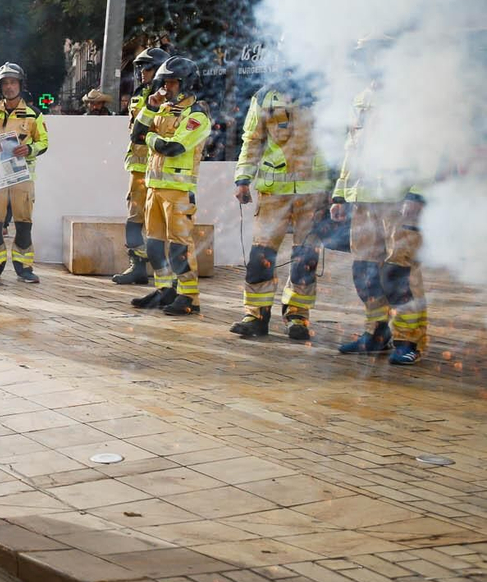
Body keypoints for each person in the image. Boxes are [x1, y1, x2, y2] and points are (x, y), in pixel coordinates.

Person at [332, 37, 426, 364]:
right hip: (364, 199)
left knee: (399, 274)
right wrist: (340, 193)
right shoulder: (361, 98)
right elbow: (350, 149)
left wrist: (417, 192)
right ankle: (376, 333)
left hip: (398, 199)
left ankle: (408, 340)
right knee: (365, 271)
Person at [231, 81, 330, 340]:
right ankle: (255, 315)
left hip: (313, 191)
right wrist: (243, 178)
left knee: (305, 257)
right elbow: (252, 140)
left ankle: (298, 315)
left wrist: (337, 189)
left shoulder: (326, 91)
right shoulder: (264, 97)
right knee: (261, 254)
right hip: (273, 191)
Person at [129, 56, 211, 316]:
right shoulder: (162, 108)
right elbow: (135, 134)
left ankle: (190, 296)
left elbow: (172, 147)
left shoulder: (197, 114)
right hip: (154, 187)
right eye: (164, 82)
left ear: (186, 84)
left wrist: (150, 136)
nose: (166, 88)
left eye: (172, 82)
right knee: (153, 246)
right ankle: (165, 290)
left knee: (179, 248)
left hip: (178, 193)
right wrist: (151, 108)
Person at [0, 63, 48, 284]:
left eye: (13, 82)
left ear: (20, 84)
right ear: (0, 87)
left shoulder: (33, 114)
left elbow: (44, 142)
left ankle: (24, 267)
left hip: (23, 177)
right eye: (5, 83)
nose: (9, 87)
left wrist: (29, 149)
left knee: (24, 222)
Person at [112, 47, 170, 285]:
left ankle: (166, 272)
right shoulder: (138, 94)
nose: (142, 73)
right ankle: (136, 265)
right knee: (134, 217)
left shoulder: (171, 95)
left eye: (147, 68)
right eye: (141, 68)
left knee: (162, 221)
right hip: (138, 168)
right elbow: (136, 129)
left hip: (162, 168)